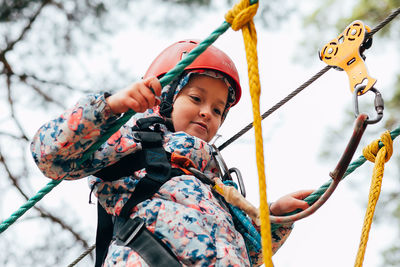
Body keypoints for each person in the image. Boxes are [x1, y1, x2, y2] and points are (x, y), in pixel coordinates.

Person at [31, 39, 312, 266]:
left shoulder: (216, 183)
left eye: (217, 109)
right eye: (196, 98)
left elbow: (248, 255)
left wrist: (275, 218)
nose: (207, 113)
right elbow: (49, 155)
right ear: (164, 97)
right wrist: (111, 107)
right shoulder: (134, 143)